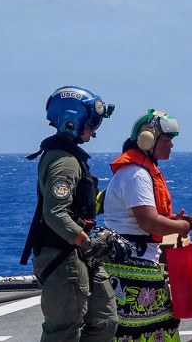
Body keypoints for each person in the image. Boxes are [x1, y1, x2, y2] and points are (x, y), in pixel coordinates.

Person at [20, 85, 118, 342]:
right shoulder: (64, 162)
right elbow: (55, 212)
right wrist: (87, 242)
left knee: (104, 321)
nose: (94, 129)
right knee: (64, 331)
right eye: (92, 122)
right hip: (63, 257)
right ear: (72, 121)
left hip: (78, 254)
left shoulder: (70, 157)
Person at [100, 109, 192, 342]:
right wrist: (181, 228)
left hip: (133, 265)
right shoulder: (136, 174)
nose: (171, 146)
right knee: (153, 329)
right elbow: (149, 222)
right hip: (134, 270)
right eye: (167, 140)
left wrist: (174, 221)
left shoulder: (136, 171)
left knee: (149, 329)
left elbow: (143, 217)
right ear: (148, 139)